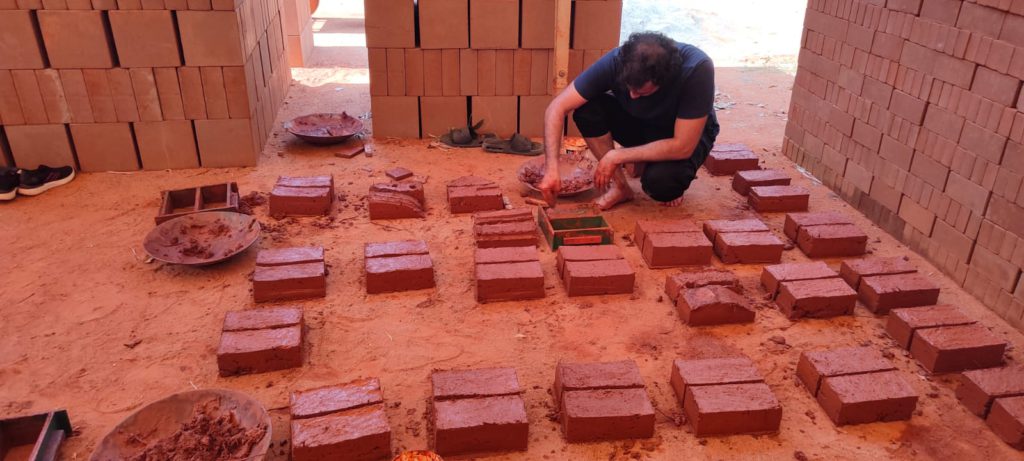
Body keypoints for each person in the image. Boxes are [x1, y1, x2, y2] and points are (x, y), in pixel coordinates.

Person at [539, 31, 720, 210]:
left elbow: (683, 146)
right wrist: (551, 168)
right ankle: (621, 188)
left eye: (641, 92)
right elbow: (557, 108)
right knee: (587, 110)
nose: (633, 96)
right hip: (642, 122)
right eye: (629, 88)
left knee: (662, 185)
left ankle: (660, 169)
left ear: (663, 81)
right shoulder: (618, 60)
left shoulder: (697, 69)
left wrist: (617, 155)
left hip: (681, 134)